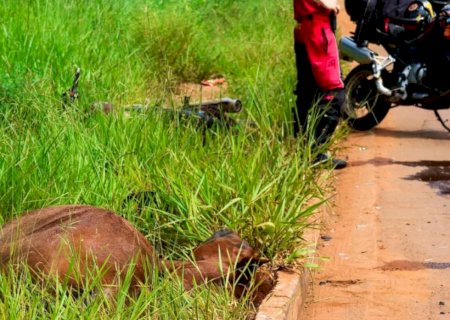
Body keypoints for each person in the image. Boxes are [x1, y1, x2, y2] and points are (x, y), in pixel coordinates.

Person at [292, 0, 347, 169]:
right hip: (317, 28)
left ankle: (303, 149)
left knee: (308, 90)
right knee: (333, 92)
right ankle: (316, 153)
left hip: (308, 27)